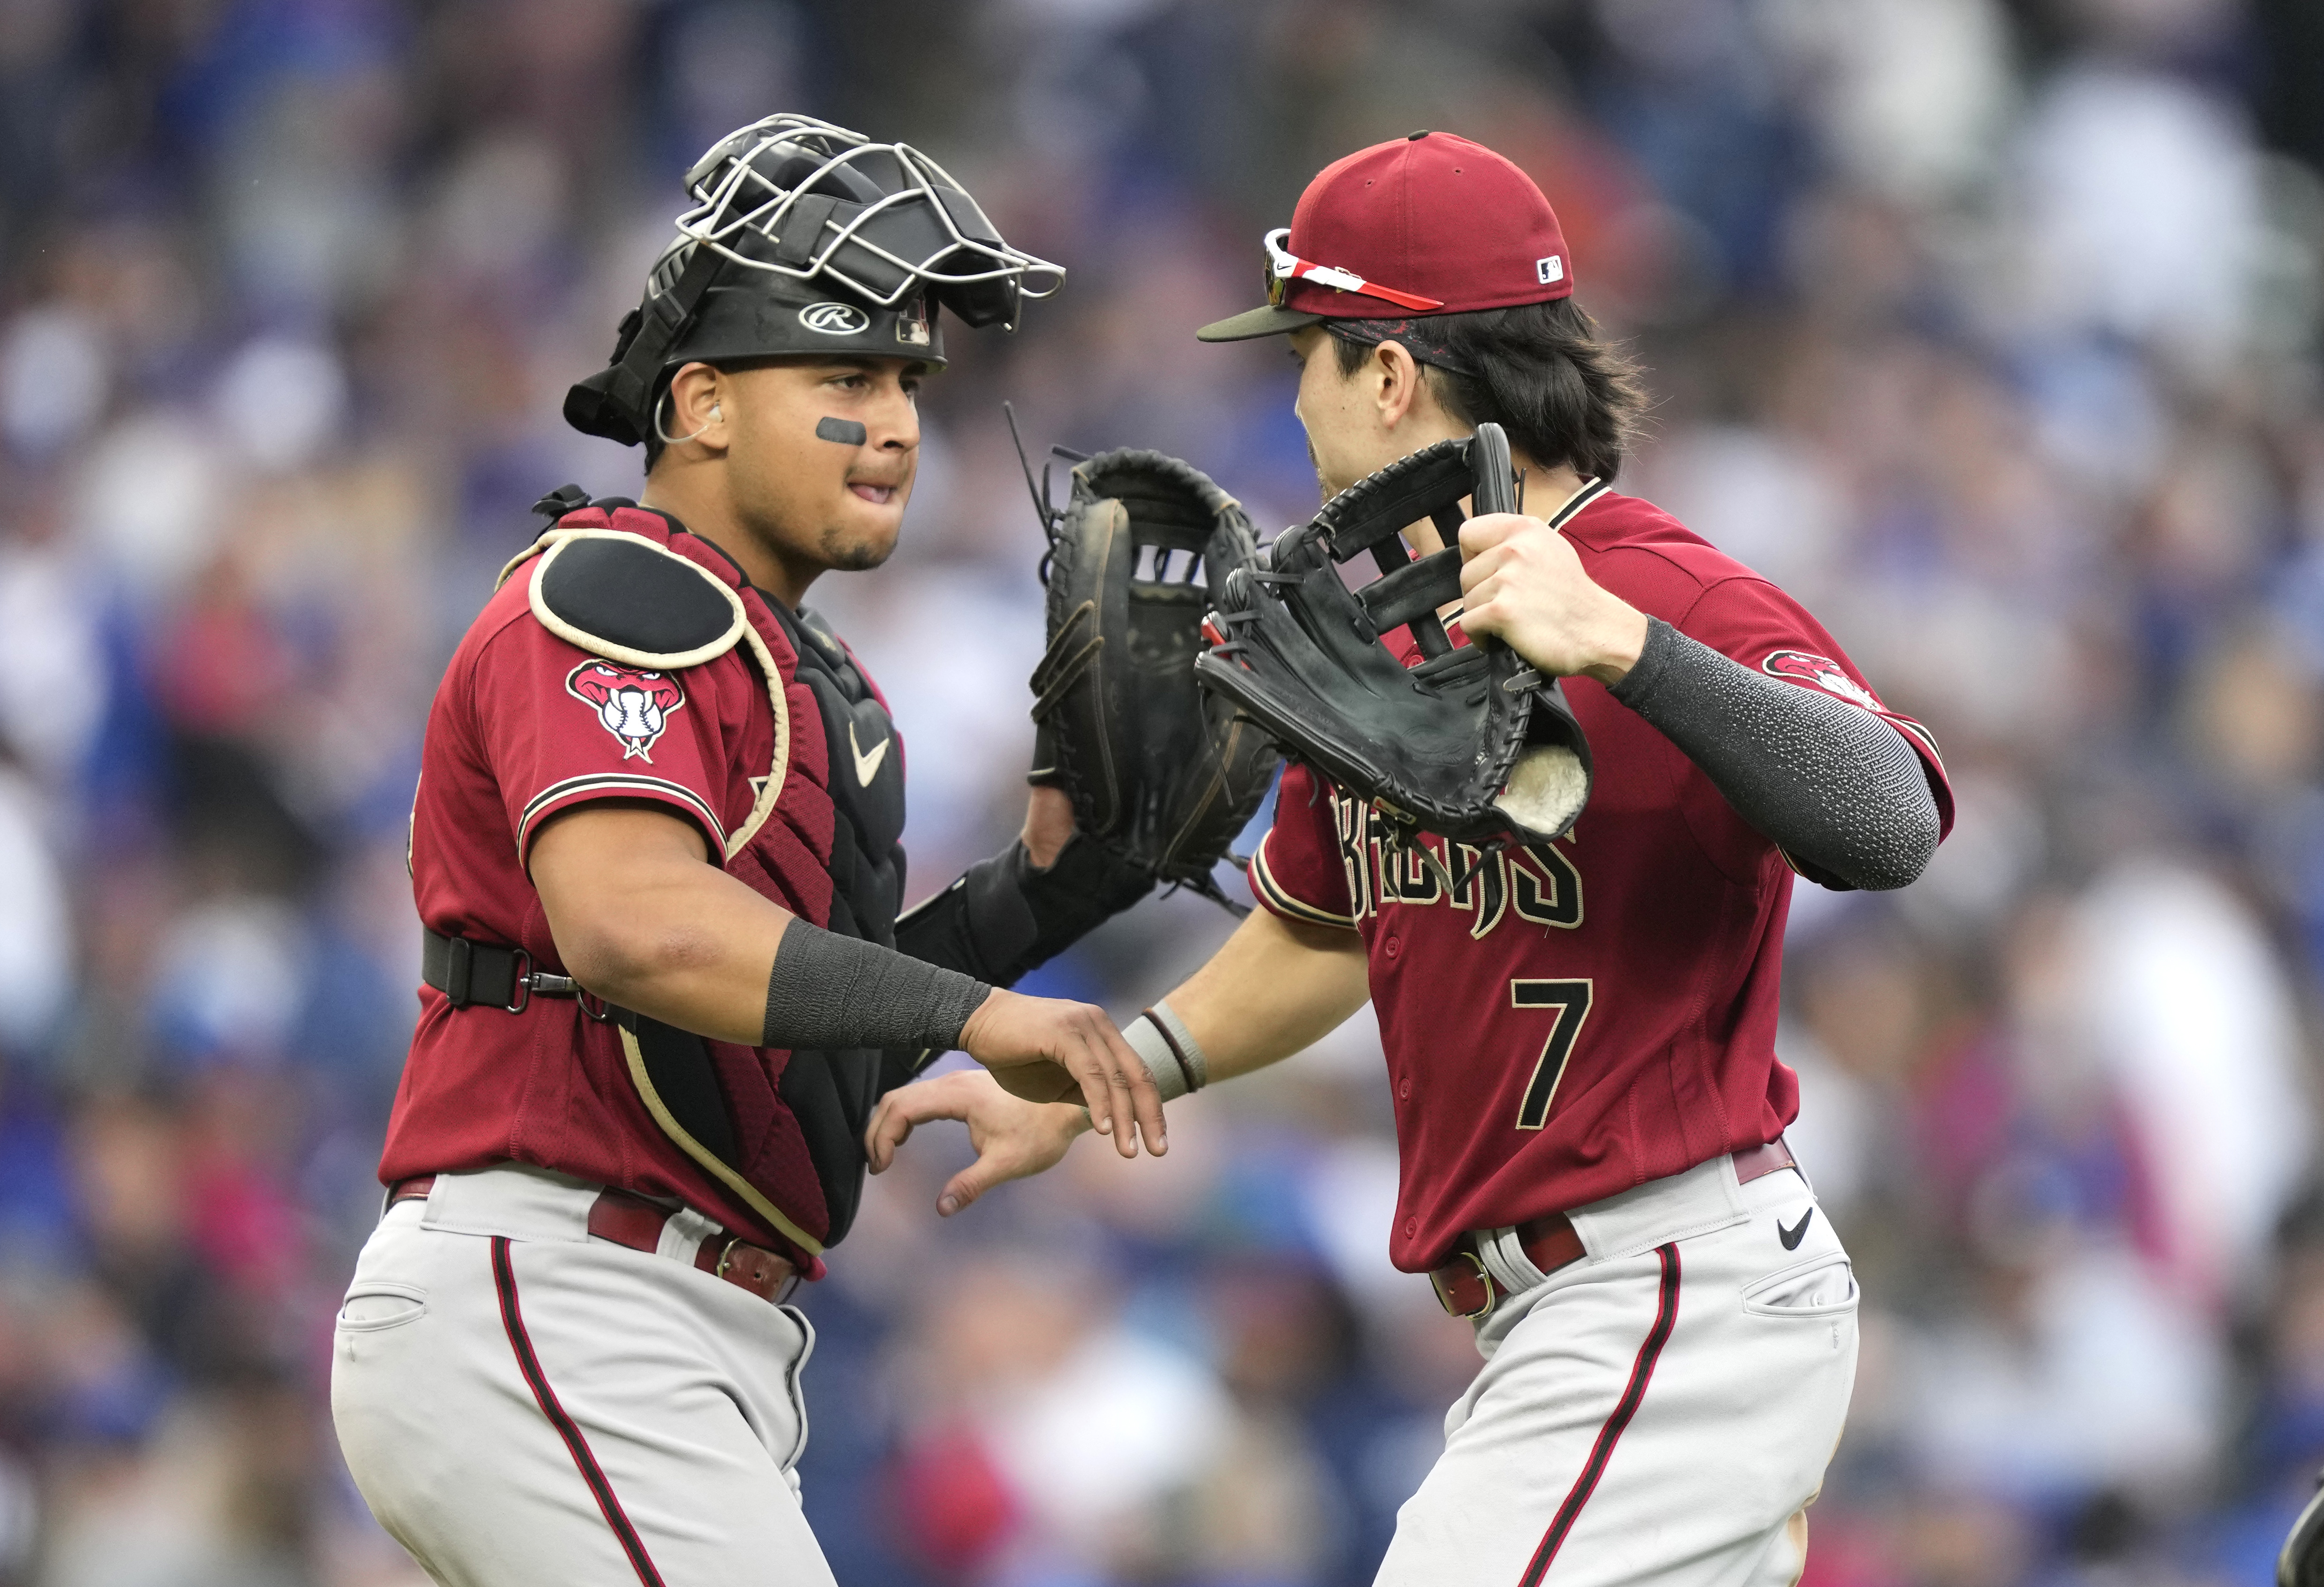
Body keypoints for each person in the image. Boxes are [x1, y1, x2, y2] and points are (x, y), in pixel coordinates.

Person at [870, 130, 1956, 1587]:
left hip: (1667, 1292)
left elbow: (1891, 824)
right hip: (1562, 1321)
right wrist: (1113, 1074)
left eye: (1306, 358)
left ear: (1387, 374)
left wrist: (1629, 650)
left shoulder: (1657, 584)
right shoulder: (1374, 635)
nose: (1297, 406)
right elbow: (1320, 934)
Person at [329, 115, 1173, 1587]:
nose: (900, 421)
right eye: (847, 377)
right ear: (704, 403)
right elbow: (634, 929)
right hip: (559, 1295)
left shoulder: (801, 669)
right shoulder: (615, 592)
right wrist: (979, 1013)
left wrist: (1053, 891)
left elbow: (791, 1048)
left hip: (674, 1325)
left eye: (910, 380)